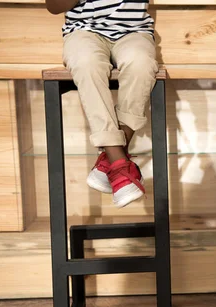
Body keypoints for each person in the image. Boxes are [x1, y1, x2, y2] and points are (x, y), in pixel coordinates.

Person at [45, 0, 158, 207]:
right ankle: (118, 162)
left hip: (135, 31)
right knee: (86, 64)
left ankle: (113, 159)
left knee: (141, 65)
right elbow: (53, 5)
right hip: (83, 31)